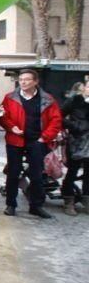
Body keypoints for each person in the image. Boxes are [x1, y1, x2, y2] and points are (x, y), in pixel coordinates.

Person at [0, 69, 62, 219]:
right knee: (13, 172)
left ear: (35, 82)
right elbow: (2, 116)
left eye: (27, 79)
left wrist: (45, 137)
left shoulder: (47, 99)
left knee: (37, 175)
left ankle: (36, 206)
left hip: (37, 141)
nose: (23, 82)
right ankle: (11, 204)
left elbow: (56, 120)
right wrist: (11, 127)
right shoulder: (10, 98)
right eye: (21, 80)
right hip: (16, 140)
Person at [62, 81, 89, 215]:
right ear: (85, 87)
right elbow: (60, 116)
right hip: (77, 141)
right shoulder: (75, 100)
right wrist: (74, 126)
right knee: (72, 171)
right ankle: (68, 200)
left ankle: (86, 199)